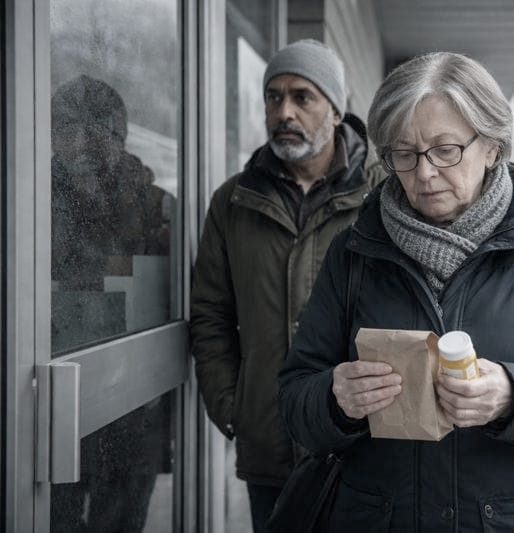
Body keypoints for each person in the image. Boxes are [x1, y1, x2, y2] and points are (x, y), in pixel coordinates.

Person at [277, 51, 514, 532]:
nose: (424, 173)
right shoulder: (355, 251)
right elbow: (294, 398)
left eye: (445, 149)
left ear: (492, 146)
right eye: (404, 155)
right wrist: (334, 399)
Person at [189, 38, 385, 532]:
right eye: (273, 97)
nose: (284, 111)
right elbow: (210, 312)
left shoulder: (383, 193)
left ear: (336, 110)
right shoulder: (233, 200)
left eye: (303, 96)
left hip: (366, 442)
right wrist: (233, 407)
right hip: (270, 446)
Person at [50, 75, 172, 532]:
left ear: (118, 136)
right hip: (50, 395)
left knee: (120, 521)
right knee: (52, 516)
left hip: (133, 401)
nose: (80, 143)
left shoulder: (155, 206)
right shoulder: (26, 201)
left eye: (95, 129)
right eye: (66, 129)